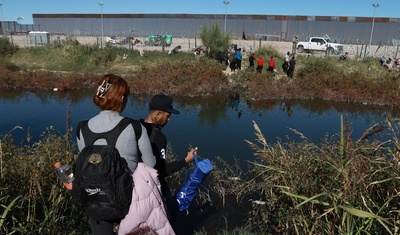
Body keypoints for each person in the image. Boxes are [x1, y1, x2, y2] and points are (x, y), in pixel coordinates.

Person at [76, 74, 156, 235]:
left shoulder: (81, 128)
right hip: (127, 204)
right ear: (121, 98)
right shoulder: (134, 127)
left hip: (96, 203)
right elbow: (151, 164)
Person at [139, 94, 197, 232]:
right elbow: (162, 171)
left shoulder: (134, 127)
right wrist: (185, 161)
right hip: (152, 187)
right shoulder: (158, 137)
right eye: (168, 115)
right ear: (158, 113)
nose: (169, 119)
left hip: (134, 187)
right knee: (172, 214)